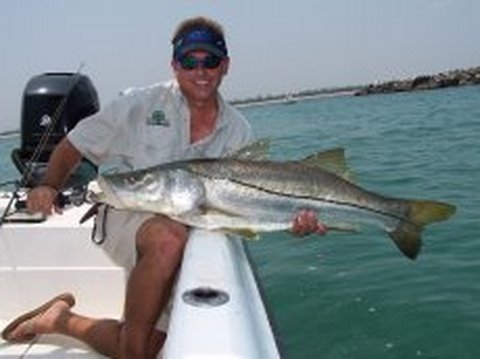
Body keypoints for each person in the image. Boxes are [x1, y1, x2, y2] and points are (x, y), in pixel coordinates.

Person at [1, 16, 326, 358]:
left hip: (190, 227)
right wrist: (49, 185)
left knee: (144, 351)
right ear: (175, 66)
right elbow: (73, 144)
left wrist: (293, 221)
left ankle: (62, 320)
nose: (200, 70)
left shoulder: (238, 131)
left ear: (225, 66)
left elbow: (247, 207)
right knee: (168, 235)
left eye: (210, 60)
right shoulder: (139, 104)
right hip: (127, 216)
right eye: (189, 61)